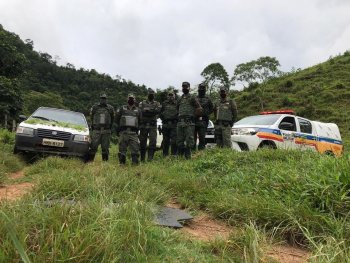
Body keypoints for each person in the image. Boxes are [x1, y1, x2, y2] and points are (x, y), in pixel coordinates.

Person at [176, 82, 202, 159]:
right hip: (180, 122)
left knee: (189, 140)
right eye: (183, 87)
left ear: (189, 88)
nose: (184, 88)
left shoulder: (193, 98)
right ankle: (180, 157)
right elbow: (177, 109)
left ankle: (188, 157)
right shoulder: (179, 99)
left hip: (189, 122)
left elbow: (199, 109)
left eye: (186, 87)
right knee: (179, 139)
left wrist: (194, 116)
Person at [86, 93, 115, 162]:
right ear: (100, 99)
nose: (103, 100)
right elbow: (91, 117)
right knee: (93, 146)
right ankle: (90, 161)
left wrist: (109, 128)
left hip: (106, 131)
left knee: (105, 148)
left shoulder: (110, 108)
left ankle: (105, 163)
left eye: (104, 99)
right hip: (96, 130)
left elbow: (112, 119)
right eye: (102, 98)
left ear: (106, 99)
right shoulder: (95, 107)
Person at [115, 93, 141, 165]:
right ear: (127, 99)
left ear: (135, 100)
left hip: (133, 133)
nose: (131, 100)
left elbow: (140, 121)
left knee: (135, 150)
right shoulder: (122, 108)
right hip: (123, 132)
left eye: (132, 99)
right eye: (129, 98)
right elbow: (116, 119)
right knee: (122, 149)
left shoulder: (138, 110)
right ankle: (122, 165)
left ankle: (134, 165)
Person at [139, 88, 161, 162]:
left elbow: (157, 111)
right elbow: (141, 111)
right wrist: (152, 110)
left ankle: (150, 158)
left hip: (152, 125)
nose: (151, 96)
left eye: (152, 95)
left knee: (153, 142)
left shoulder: (156, 103)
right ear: (148, 95)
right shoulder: (142, 103)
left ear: (154, 96)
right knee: (143, 142)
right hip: (144, 125)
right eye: (150, 95)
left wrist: (147, 110)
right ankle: (142, 159)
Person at [193, 83, 213, 150]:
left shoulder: (208, 99)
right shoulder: (194, 99)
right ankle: (192, 152)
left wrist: (206, 113)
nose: (201, 89)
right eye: (200, 88)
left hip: (203, 122)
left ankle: (201, 153)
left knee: (202, 139)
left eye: (203, 88)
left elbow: (211, 108)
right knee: (193, 138)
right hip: (194, 121)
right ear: (198, 89)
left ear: (205, 89)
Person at [160, 90, 178, 156]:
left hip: (174, 124)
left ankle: (173, 155)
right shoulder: (164, 104)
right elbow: (160, 114)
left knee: (174, 141)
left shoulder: (177, 103)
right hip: (165, 124)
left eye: (172, 95)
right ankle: (165, 155)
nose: (171, 96)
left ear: (174, 96)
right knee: (165, 141)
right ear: (167, 96)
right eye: (169, 95)